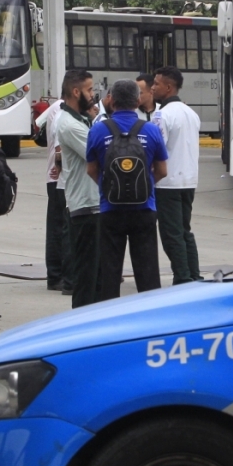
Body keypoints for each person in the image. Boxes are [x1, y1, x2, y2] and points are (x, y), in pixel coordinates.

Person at [86, 79, 168, 301]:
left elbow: (91, 169)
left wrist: (109, 187)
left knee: (109, 272)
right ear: (138, 100)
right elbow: (162, 170)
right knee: (148, 273)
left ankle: (110, 316)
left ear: (111, 101)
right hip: (144, 209)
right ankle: (148, 316)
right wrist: (144, 185)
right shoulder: (150, 130)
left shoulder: (98, 130)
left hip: (110, 209)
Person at [150, 66, 202, 285]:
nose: (152, 88)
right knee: (184, 231)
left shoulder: (162, 115)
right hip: (188, 180)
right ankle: (194, 275)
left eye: (156, 84)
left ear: (169, 87)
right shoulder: (191, 113)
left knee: (171, 234)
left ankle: (182, 278)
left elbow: (155, 148)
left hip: (167, 183)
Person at [56, 70, 102, 307]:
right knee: (86, 278)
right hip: (86, 208)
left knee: (97, 277)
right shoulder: (70, 126)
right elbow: (100, 154)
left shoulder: (80, 120)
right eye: (89, 90)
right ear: (76, 92)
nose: (93, 95)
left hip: (92, 205)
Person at [35, 98, 72, 293]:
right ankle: (57, 275)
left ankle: (57, 275)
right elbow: (60, 150)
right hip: (59, 178)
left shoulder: (58, 107)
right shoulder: (62, 110)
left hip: (58, 177)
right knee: (60, 228)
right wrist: (60, 168)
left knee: (58, 227)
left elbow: (39, 124)